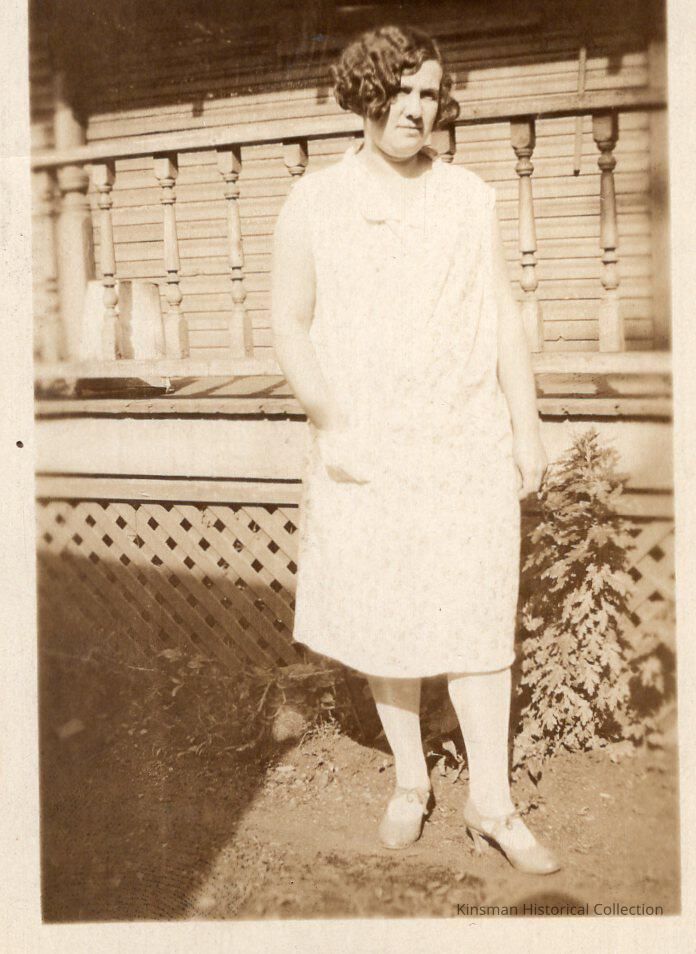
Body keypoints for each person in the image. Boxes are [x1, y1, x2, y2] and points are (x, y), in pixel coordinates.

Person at [270, 24, 560, 875]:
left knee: (476, 619)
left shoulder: (469, 197)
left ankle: (492, 803)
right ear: (366, 93)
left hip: (463, 437)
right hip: (369, 446)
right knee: (386, 616)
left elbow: (501, 315)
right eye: (401, 91)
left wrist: (527, 424)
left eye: (430, 93)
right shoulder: (316, 201)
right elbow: (289, 324)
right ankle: (410, 780)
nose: (416, 109)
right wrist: (334, 423)